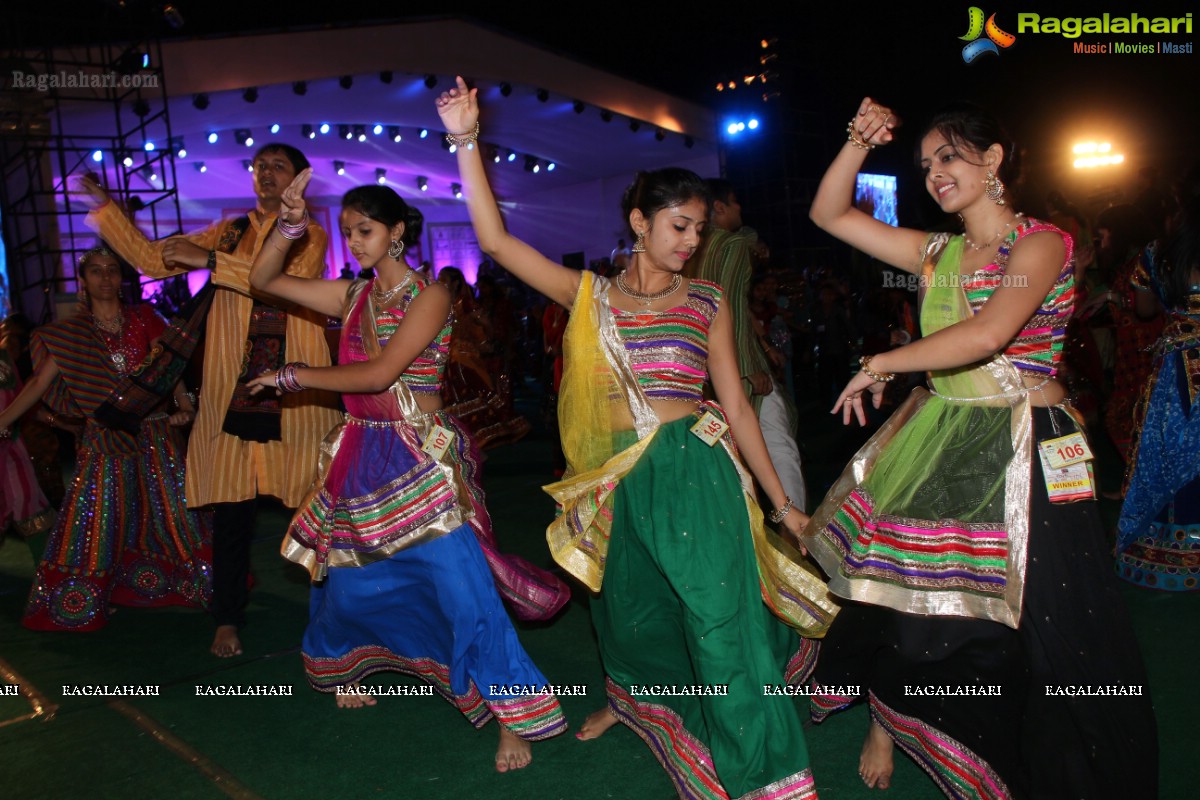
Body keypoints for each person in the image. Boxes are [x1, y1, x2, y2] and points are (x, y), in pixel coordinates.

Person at [438, 76, 836, 800]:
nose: (691, 241)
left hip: (696, 470)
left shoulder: (708, 299)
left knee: (721, 619)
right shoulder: (589, 296)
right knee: (632, 611)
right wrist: (467, 140)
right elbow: (494, 240)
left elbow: (740, 410)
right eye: (679, 225)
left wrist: (783, 507)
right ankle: (636, 705)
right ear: (639, 222)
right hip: (619, 477)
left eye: (698, 229)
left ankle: (767, 775)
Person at [805, 98, 1157, 798]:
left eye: (950, 157)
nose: (935, 174)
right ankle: (896, 712)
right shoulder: (935, 252)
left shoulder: (1042, 243)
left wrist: (882, 362)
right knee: (913, 606)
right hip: (945, 438)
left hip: (1027, 450)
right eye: (926, 163)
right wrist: (854, 141)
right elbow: (829, 215)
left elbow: (990, 333)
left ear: (993, 160)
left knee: (1041, 625)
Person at [244, 175, 568, 772]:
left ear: (396, 232)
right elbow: (261, 281)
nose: (354, 242)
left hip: (420, 454)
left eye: (364, 230)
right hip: (362, 450)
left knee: (460, 583)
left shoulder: (432, 296)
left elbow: (379, 375)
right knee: (349, 575)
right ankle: (348, 660)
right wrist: (286, 227)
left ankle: (509, 712)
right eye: (346, 232)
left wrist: (294, 375)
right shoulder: (352, 297)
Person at [82, 143, 341, 657]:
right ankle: (227, 619)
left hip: (295, 384)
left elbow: (282, 287)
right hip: (230, 381)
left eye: (278, 166)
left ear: (299, 179)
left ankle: (335, 618)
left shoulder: (310, 232)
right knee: (230, 508)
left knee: (317, 505)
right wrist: (108, 210)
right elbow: (155, 258)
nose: (266, 173)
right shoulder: (228, 230)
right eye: (260, 166)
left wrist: (211, 261)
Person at [0, 247, 210, 630]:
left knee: (171, 511)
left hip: (154, 432)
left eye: (112, 269)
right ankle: (85, 597)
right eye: (95, 271)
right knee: (97, 516)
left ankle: (177, 581)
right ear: (83, 281)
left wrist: (184, 402)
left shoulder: (144, 316)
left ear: (121, 277)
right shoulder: (71, 335)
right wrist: (4, 420)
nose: (105, 277)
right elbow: (37, 384)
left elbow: (169, 364)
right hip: (103, 439)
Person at [692, 180, 808, 511]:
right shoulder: (730, 245)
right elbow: (724, 307)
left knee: (717, 448)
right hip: (737, 370)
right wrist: (747, 366)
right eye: (736, 202)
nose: (741, 209)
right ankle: (794, 525)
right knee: (778, 444)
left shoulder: (691, 251)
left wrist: (761, 343)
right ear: (719, 208)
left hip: (701, 372)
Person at [1117, 165, 1200, 591]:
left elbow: (1146, 310)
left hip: (1178, 372)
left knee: (1166, 451)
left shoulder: (1159, 254)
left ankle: (1172, 551)